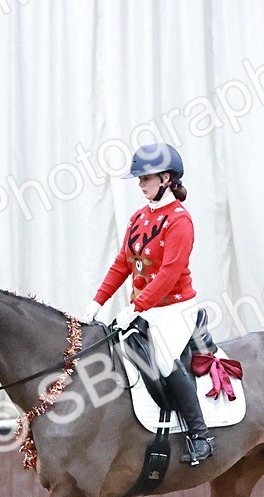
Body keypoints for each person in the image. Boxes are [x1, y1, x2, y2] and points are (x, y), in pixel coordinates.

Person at [82, 143, 215, 465]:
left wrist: (137, 307)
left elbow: (169, 274)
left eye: (146, 179)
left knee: (166, 360)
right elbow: (122, 264)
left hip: (175, 307)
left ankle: (201, 436)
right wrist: (96, 303)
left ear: (166, 179)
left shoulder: (180, 221)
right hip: (145, 306)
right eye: (140, 179)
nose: (141, 185)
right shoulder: (139, 218)